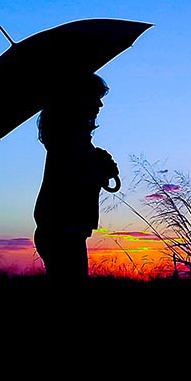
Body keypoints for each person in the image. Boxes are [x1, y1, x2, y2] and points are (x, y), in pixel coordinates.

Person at [33, 73, 120, 283]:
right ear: (78, 100)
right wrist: (102, 170)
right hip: (63, 231)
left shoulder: (71, 138)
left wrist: (98, 161)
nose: (100, 104)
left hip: (64, 229)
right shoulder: (69, 140)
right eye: (94, 97)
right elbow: (75, 182)